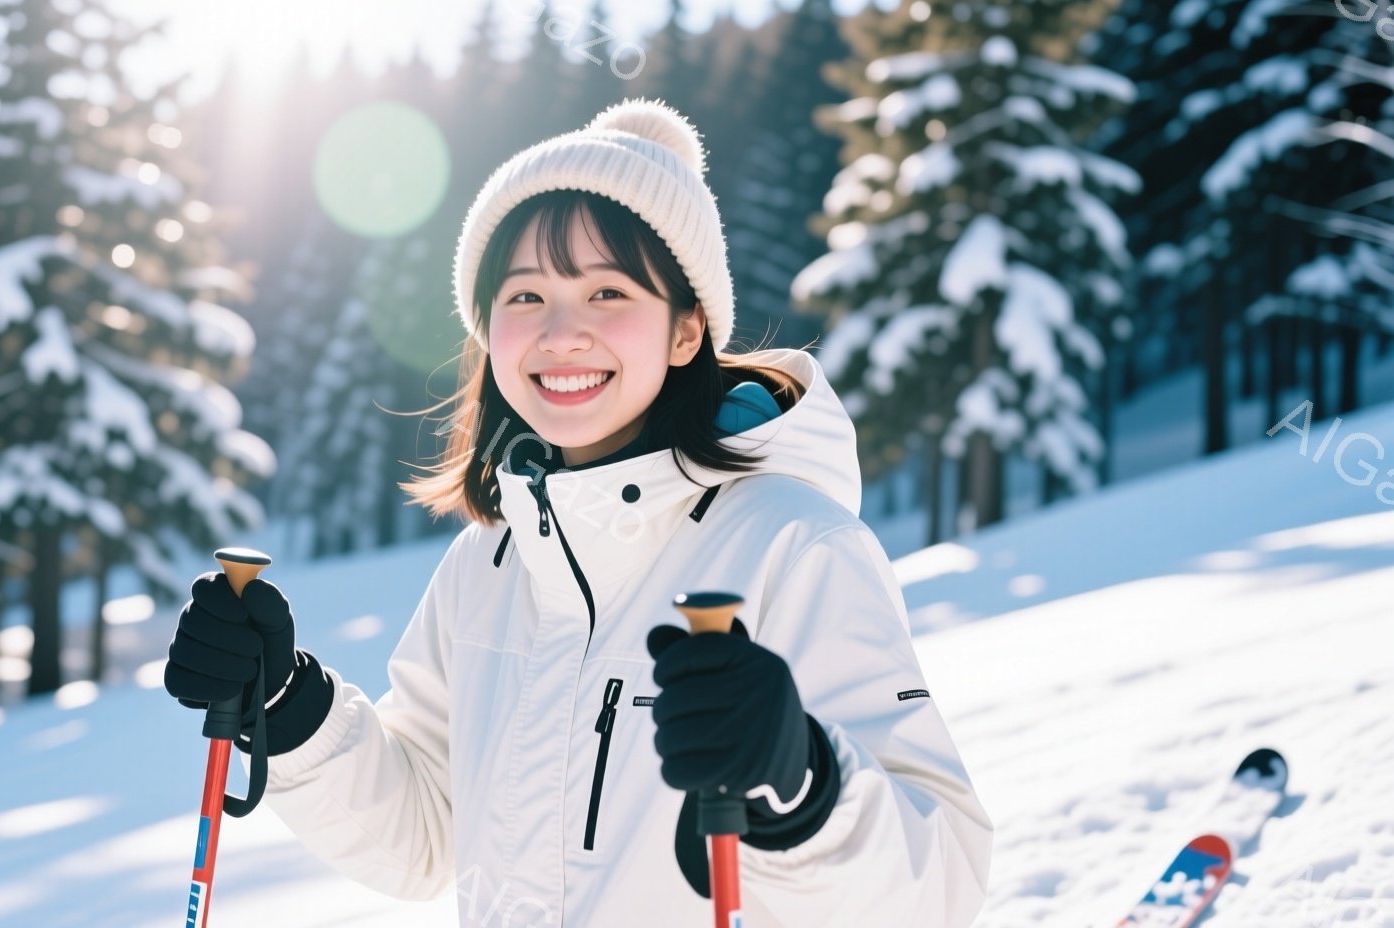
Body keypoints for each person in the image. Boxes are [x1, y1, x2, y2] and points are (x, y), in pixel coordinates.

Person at [164, 97, 993, 927]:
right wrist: (286, 703)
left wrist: (801, 784)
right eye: (525, 296)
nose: (561, 333)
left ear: (685, 331)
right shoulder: (490, 561)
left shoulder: (795, 545)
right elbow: (424, 837)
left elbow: (941, 892)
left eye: (607, 292)